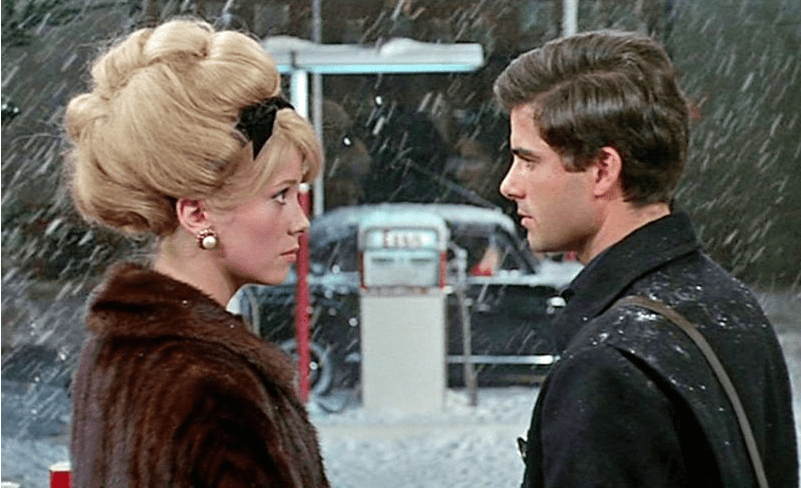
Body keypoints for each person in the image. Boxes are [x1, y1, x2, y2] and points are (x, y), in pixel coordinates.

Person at [494, 30, 797, 488]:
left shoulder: (606, 367)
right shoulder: (729, 303)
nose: (509, 184)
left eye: (528, 160)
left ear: (602, 170)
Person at [64, 19, 329, 487]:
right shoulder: (212, 385)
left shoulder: (114, 352)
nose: (300, 221)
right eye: (280, 195)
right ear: (197, 214)